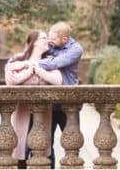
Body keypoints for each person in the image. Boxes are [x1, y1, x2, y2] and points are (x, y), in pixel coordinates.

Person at [4, 30, 62, 169]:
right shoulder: (18, 59)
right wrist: (30, 70)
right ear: (34, 42)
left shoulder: (50, 61)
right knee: (21, 152)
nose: (48, 40)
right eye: (44, 38)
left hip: (43, 113)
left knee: (40, 153)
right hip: (22, 112)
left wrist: (39, 70)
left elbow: (58, 80)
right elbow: (11, 80)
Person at [38, 21, 83, 168]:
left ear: (64, 39)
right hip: (49, 102)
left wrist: (37, 63)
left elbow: (53, 64)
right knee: (45, 145)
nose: (50, 42)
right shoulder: (51, 44)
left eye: (53, 39)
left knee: (72, 142)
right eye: (49, 39)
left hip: (68, 103)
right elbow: (35, 52)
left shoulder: (75, 49)